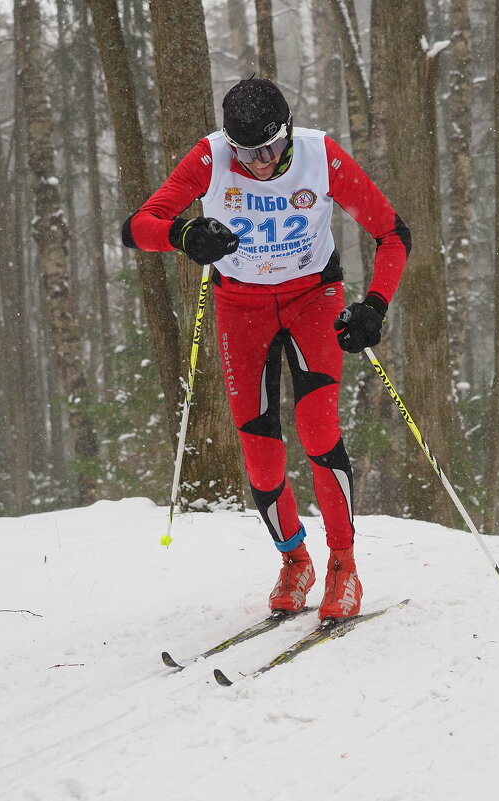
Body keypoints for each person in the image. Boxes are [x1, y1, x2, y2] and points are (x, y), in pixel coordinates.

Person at [121, 77, 410, 621]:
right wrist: (183, 236)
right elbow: (137, 227)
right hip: (240, 307)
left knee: (319, 430)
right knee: (258, 453)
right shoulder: (210, 157)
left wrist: (374, 306)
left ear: (289, 133)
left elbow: (393, 233)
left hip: (312, 298)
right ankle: (294, 560)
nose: (258, 162)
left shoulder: (321, 156)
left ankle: (343, 566)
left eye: (272, 148)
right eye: (246, 151)